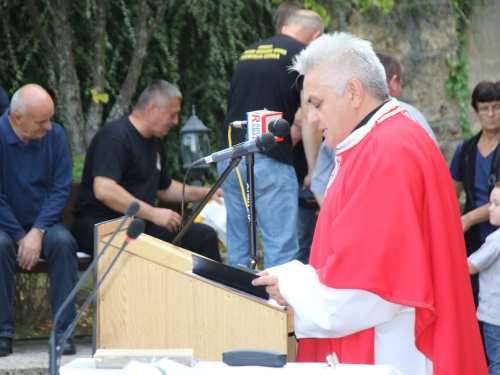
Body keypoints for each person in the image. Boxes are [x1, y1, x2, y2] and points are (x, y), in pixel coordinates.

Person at [253, 32, 487, 374]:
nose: (311, 119)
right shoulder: (385, 139)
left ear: (353, 93)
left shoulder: (386, 153)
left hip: (393, 346)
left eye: (316, 103)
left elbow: (368, 291)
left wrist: (290, 282)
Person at [217, 9, 324, 268]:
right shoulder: (305, 56)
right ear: (316, 36)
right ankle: (276, 308)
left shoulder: (250, 51)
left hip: (230, 159)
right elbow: (310, 116)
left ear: (284, 26)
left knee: (240, 247)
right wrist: (313, 170)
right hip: (270, 160)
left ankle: (237, 305)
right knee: (281, 251)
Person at [72, 80, 222, 262]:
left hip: (138, 224)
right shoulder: (115, 137)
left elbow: (164, 188)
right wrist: (153, 213)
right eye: (172, 115)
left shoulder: (154, 142)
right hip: (101, 225)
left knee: (203, 236)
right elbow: (104, 189)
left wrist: (207, 193)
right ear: (152, 109)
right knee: (143, 249)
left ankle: (210, 290)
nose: (175, 122)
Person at [0, 84, 78, 356]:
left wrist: (37, 231)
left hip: (44, 224)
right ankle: (2, 333)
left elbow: (60, 190)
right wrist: (22, 236)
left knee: (63, 243)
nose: (48, 127)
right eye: (41, 121)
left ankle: (63, 331)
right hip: (5, 226)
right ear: (17, 117)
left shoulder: (55, 136)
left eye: (50, 119)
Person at [310, 51, 439, 206]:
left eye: (318, 105)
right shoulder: (412, 117)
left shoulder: (340, 122)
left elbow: (321, 183)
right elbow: (434, 174)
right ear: (393, 82)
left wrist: (336, 217)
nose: (312, 119)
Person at [450, 81, 500, 309]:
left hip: (496, 237)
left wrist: (467, 218)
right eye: (484, 108)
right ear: (476, 110)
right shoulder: (465, 150)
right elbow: (451, 194)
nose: (491, 114)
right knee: (472, 302)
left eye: (497, 107)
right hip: (473, 240)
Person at [468, 181, 500, 375]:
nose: (490, 209)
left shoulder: (496, 239)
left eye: (497, 204)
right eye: (491, 203)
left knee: (496, 365)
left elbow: (471, 266)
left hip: (495, 318)